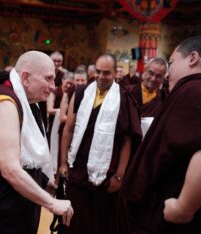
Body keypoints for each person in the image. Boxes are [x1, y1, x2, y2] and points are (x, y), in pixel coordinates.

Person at [118, 36, 201, 234]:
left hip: (179, 222)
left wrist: (183, 207)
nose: (168, 73)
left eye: (171, 62)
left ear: (192, 58)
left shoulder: (196, 89)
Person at [0, 51, 73, 234]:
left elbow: (24, 157)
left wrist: (43, 181)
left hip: (15, 208)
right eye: (48, 79)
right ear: (26, 78)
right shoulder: (2, 102)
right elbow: (10, 169)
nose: (53, 87)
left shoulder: (27, 102)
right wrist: (51, 203)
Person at [60, 54, 141, 234]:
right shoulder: (80, 93)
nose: (101, 76)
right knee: (75, 221)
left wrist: (119, 175)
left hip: (106, 174)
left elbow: (127, 140)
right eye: (98, 72)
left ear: (115, 74)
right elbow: (68, 129)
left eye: (107, 73)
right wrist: (63, 163)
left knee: (100, 223)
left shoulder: (123, 97)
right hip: (77, 169)